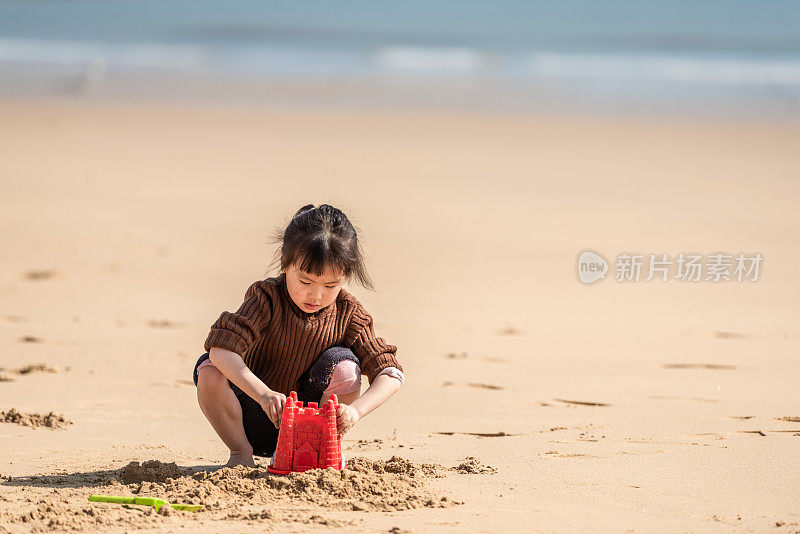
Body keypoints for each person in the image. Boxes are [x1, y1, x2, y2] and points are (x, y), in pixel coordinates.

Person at [193, 204, 405, 467]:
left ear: (345, 276)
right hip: (252, 413)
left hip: (309, 424)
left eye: (331, 285)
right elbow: (221, 349)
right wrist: (263, 394)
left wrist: (355, 411)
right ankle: (240, 455)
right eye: (305, 282)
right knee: (209, 369)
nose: (316, 296)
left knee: (346, 366)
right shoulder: (266, 298)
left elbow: (391, 374)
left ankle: (320, 451)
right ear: (285, 263)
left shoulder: (348, 313)